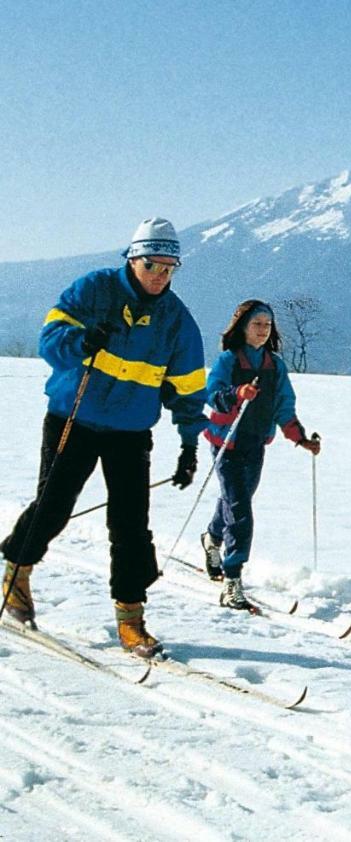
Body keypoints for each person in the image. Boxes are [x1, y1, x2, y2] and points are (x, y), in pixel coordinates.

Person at [0, 218, 208, 657]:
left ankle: (131, 619)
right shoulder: (93, 289)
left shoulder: (177, 321)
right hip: (73, 418)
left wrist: (190, 444)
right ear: (133, 258)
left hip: (130, 432)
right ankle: (17, 570)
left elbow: (188, 389)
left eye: (170, 268)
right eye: (153, 265)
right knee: (53, 506)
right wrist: (81, 340)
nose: (160, 276)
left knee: (131, 525)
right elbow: (49, 342)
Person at [199, 300, 321, 611]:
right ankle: (233, 578)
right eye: (257, 324)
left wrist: (300, 438)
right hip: (227, 442)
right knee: (240, 507)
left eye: (268, 325)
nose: (263, 330)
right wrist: (236, 394)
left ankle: (212, 539)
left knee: (235, 500)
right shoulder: (229, 360)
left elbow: (284, 404)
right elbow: (212, 394)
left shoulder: (274, 365)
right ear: (242, 327)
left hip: (255, 442)